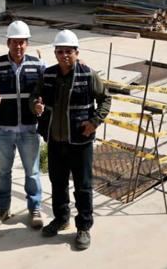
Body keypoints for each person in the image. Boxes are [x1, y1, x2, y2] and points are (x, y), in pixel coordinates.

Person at [32, 29, 111, 251]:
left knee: (83, 187)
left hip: (80, 142)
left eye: (68, 51)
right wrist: (35, 106)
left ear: (77, 52)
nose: (64, 55)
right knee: (58, 184)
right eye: (60, 51)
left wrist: (94, 122)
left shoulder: (88, 75)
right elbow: (34, 98)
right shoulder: (47, 75)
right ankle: (61, 219)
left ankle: (83, 227)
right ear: (55, 53)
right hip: (55, 141)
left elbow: (106, 99)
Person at [0, 20, 45, 229]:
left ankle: (34, 208)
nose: (18, 46)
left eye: (22, 42)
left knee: (32, 172)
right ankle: (3, 208)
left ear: (27, 43)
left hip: (28, 130)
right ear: (8, 42)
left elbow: (46, 90)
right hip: (3, 131)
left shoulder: (37, 65)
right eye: (14, 42)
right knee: (3, 171)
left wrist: (40, 105)